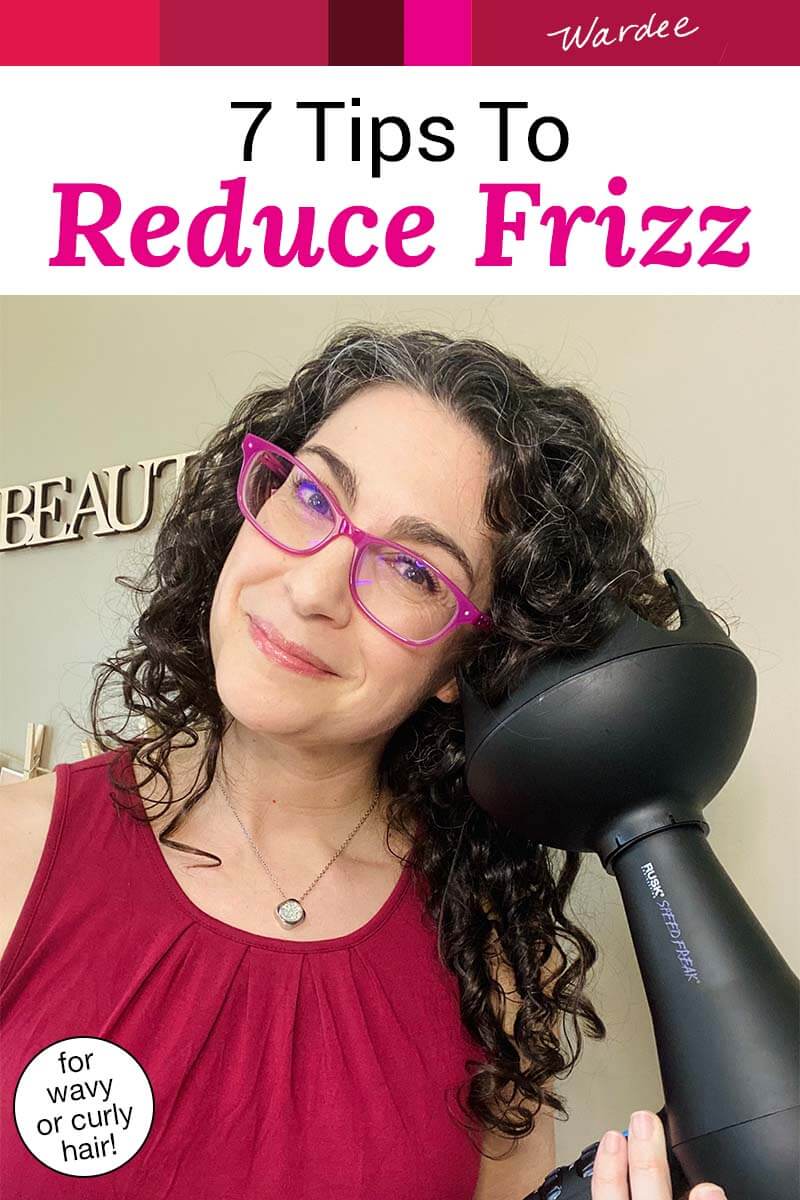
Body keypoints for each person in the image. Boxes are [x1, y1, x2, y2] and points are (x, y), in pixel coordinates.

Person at [0, 326, 728, 1200]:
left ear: (467, 664)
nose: (312, 589)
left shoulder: (485, 948)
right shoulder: (15, 854)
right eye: (311, 494)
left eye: (413, 571)